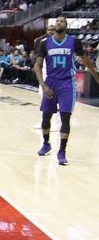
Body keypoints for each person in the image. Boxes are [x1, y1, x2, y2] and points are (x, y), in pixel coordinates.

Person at [34, 15, 99, 165]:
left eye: (62, 21)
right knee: (46, 117)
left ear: (66, 25)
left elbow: (86, 60)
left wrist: (96, 76)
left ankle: (62, 151)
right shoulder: (45, 44)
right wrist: (43, 85)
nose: (59, 22)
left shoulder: (74, 42)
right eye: (57, 21)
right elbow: (37, 66)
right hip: (50, 82)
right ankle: (46, 143)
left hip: (67, 84)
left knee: (65, 117)